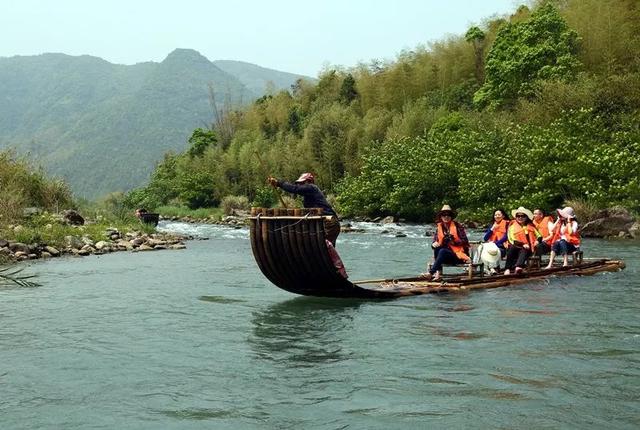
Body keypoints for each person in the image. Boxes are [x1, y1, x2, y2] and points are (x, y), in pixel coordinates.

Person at [267, 173, 340, 246]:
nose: (299, 185)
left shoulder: (312, 187)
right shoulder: (308, 196)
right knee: (323, 249)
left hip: (329, 222)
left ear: (308, 181)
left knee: (324, 247)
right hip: (325, 223)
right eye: (299, 183)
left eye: (301, 183)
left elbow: (294, 189)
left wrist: (279, 183)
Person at [420, 205, 471, 281]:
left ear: (451, 216)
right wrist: (433, 244)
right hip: (443, 257)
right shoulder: (439, 227)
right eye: (444, 215)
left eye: (448, 215)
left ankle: (431, 274)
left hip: (458, 256)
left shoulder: (458, 226)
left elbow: (465, 241)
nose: (446, 217)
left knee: (442, 251)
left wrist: (454, 241)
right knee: (438, 249)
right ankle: (438, 274)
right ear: (441, 216)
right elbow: (434, 242)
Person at [504, 207, 541, 275]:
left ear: (526, 217)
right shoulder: (512, 227)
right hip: (515, 247)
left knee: (525, 249)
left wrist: (537, 241)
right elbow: (511, 239)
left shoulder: (531, 227)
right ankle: (507, 268)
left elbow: (539, 236)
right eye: (518, 216)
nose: (520, 218)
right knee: (512, 248)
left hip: (528, 248)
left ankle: (518, 267)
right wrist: (522, 244)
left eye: (522, 216)